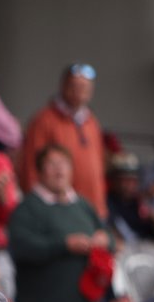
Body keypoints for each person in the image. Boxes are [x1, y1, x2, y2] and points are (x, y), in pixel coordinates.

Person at [7, 144, 112, 302]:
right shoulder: (28, 208)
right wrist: (64, 245)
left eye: (63, 164)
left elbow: (108, 237)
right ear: (40, 171)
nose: (59, 171)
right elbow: (21, 248)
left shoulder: (82, 205)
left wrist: (104, 241)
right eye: (52, 165)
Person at [18, 64, 106, 216]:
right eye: (75, 85)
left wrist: (101, 207)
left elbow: (98, 167)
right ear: (64, 86)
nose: (80, 91)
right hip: (59, 210)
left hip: (91, 209)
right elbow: (31, 167)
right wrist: (36, 208)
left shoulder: (92, 122)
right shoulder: (44, 120)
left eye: (85, 87)